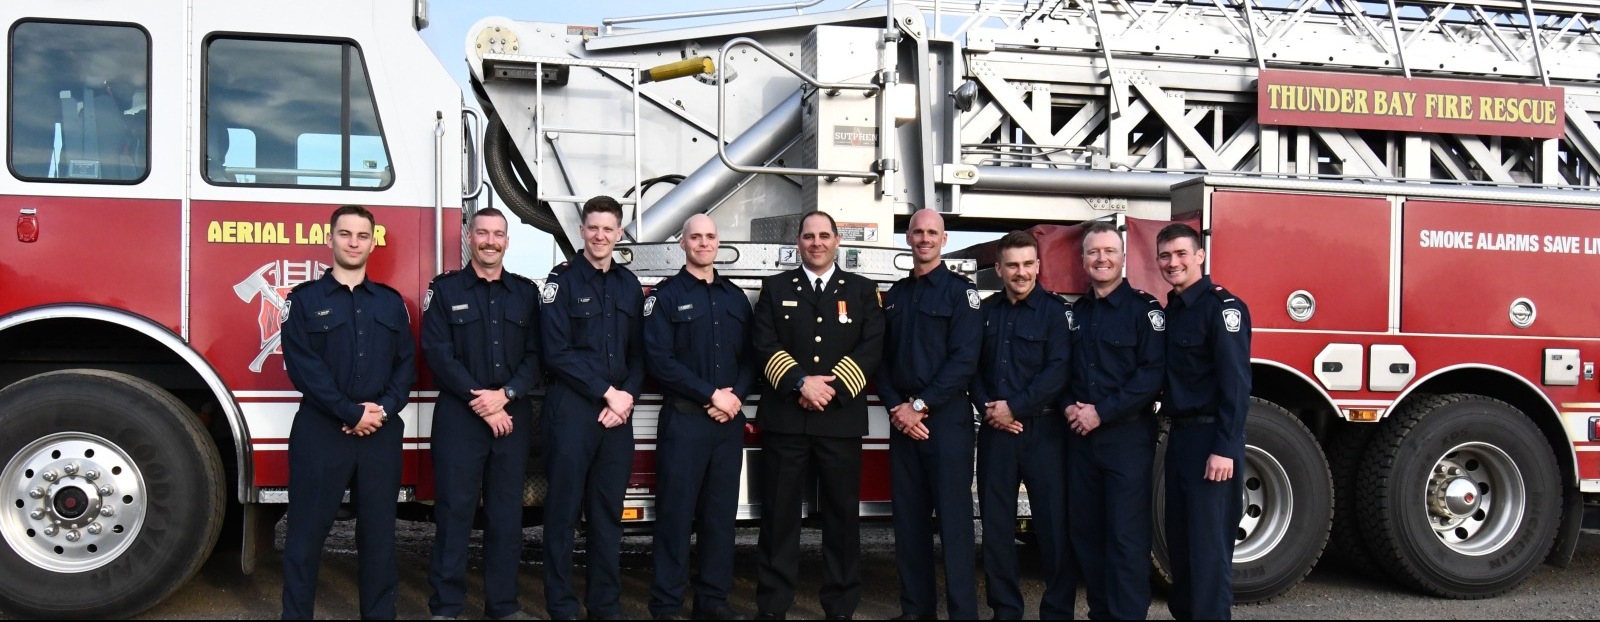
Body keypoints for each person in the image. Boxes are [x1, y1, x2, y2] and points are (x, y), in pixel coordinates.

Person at [280, 204, 415, 620]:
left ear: (371, 242)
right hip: (321, 432)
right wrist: (348, 411)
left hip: (381, 433)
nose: (353, 242)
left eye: (361, 235)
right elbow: (303, 367)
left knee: (379, 538)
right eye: (345, 234)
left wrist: (384, 411)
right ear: (329, 239)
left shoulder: (391, 304)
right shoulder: (303, 301)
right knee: (305, 535)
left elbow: (405, 366)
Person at [752, 210, 885, 621]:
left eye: (824, 235)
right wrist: (799, 383)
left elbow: (872, 347)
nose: (817, 243)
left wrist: (831, 389)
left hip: (840, 421)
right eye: (809, 236)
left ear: (836, 240)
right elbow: (763, 344)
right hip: (786, 421)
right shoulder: (774, 288)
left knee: (842, 520)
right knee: (779, 517)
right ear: (798, 241)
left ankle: (841, 606)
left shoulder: (863, 290)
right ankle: (773, 606)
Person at [421, 207, 540, 621]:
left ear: (508, 241)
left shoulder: (526, 293)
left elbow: (536, 356)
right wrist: (484, 402)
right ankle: (446, 607)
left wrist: (505, 395)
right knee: (454, 513)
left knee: (506, 516)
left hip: (512, 417)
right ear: (470, 237)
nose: (491, 241)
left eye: (498, 234)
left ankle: (503, 607)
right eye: (483, 233)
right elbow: (438, 353)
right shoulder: (445, 290)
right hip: (460, 418)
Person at [539, 196, 645, 620]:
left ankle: (605, 603)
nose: (600, 235)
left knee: (607, 515)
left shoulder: (629, 286)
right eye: (593, 227)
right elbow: (555, 352)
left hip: (617, 415)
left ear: (619, 234)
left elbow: (641, 354)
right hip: (571, 410)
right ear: (582, 230)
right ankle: (562, 604)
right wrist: (608, 392)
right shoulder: (560, 281)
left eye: (609, 228)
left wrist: (626, 399)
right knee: (562, 513)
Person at [644, 214, 754, 621]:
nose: (703, 243)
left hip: (726, 425)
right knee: (675, 516)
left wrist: (735, 397)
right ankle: (667, 605)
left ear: (717, 242)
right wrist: (711, 394)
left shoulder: (734, 296)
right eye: (696, 237)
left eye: (710, 237)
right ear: (683, 243)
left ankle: (712, 602)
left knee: (720, 517)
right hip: (685, 421)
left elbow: (751, 358)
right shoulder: (665, 296)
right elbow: (659, 359)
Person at [875, 209, 981, 621]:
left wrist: (919, 406)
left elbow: (964, 360)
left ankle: (962, 613)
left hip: (946, 421)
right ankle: (916, 610)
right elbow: (881, 362)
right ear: (907, 238)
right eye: (917, 232)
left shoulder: (961, 293)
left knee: (954, 524)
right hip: (903, 422)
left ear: (944, 239)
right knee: (909, 523)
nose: (924, 238)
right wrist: (896, 409)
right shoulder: (896, 295)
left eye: (931, 232)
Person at [970, 231, 1076, 620]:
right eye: (1012, 264)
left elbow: (1058, 371)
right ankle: (1006, 609)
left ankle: (1057, 610)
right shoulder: (987, 312)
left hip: (1044, 433)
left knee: (1053, 527)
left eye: (1028, 263)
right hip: (997, 433)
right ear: (998, 268)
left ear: (1038, 265)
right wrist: (989, 408)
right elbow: (973, 370)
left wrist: (1014, 407)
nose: (1021, 272)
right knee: (996, 530)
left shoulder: (1056, 312)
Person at [1063, 220, 1165, 620]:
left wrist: (1100, 412)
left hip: (1126, 439)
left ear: (1123, 257)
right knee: (1087, 535)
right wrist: (1071, 404)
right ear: (1083, 259)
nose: (1101, 258)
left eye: (1108, 251)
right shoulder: (1077, 313)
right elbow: (1063, 367)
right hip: (1082, 440)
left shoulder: (1145, 310)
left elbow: (1150, 376)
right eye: (1093, 252)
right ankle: (1101, 613)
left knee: (1125, 537)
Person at [1156, 223, 1251, 620]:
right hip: (1180, 440)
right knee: (1181, 551)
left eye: (1181, 254)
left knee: (1209, 555)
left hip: (1211, 441)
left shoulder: (1222, 309)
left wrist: (1225, 448)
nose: (1172, 262)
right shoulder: (1173, 309)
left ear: (1200, 256)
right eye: (1165, 256)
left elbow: (1236, 384)